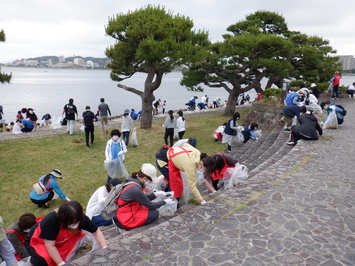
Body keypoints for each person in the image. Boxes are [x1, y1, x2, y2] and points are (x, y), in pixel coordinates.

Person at [25, 201, 107, 266]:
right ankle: (32, 260)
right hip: (39, 242)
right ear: (64, 220)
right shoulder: (51, 221)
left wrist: (105, 248)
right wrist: (61, 263)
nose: (76, 224)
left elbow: (96, 232)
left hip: (60, 241)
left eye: (76, 221)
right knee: (43, 260)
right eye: (73, 222)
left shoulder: (80, 217)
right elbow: (50, 246)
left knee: (78, 243)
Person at [113, 164, 172, 230]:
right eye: (150, 180)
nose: (150, 182)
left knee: (151, 210)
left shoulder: (132, 181)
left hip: (128, 209)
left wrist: (155, 195)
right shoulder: (135, 189)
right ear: (144, 178)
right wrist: (164, 202)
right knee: (155, 213)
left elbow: (142, 199)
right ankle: (131, 226)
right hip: (126, 217)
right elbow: (150, 205)